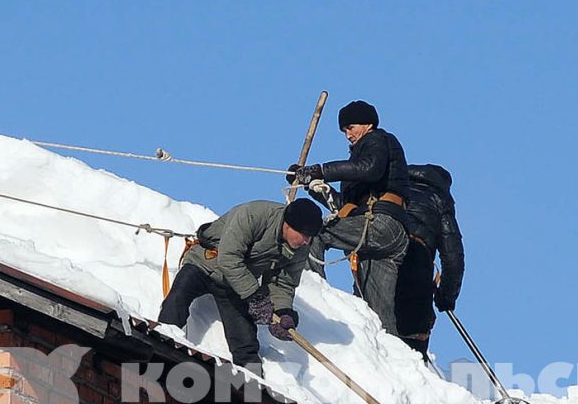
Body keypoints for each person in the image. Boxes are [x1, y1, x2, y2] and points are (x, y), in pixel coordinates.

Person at [158, 198, 325, 373]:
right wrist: (254, 296)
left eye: (310, 237)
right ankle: (161, 347)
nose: (307, 241)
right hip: (204, 264)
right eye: (304, 235)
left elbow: (283, 282)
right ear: (289, 225)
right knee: (176, 302)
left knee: (246, 343)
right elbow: (229, 257)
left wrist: (282, 312)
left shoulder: (300, 248)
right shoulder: (254, 215)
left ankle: (253, 388)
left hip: (235, 285)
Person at [286, 100, 409, 335]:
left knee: (313, 234)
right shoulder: (360, 161)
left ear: (367, 123)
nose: (348, 135)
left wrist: (321, 170)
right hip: (385, 234)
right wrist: (312, 185)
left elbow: (369, 168)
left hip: (380, 223)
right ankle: (395, 361)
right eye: (344, 130)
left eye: (351, 127)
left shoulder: (377, 141)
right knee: (377, 313)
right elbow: (345, 207)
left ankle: (315, 296)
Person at [394, 163, 466, 355]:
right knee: (413, 340)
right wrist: (446, 297)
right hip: (416, 269)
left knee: (370, 325)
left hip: (381, 261)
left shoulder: (394, 188)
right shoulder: (440, 201)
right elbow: (453, 258)